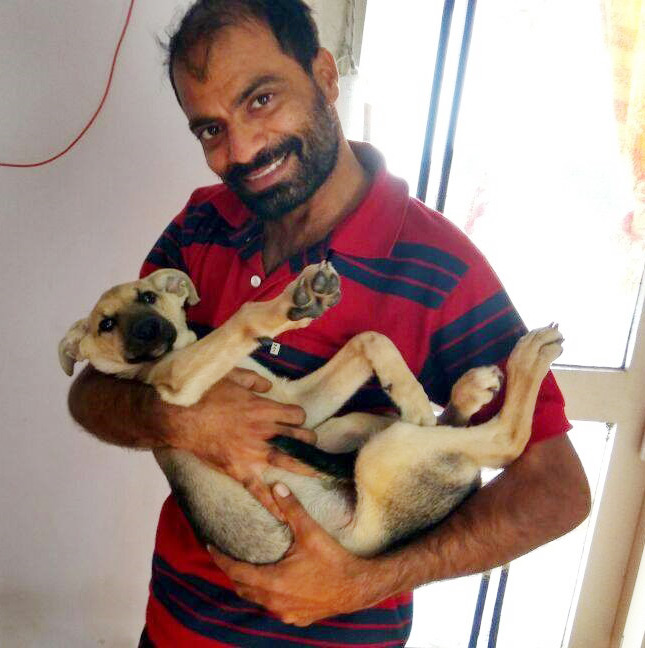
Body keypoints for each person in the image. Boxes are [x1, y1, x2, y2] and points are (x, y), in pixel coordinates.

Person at [67, 1, 591, 645]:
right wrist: (182, 420)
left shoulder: (438, 266)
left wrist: (364, 583)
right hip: (175, 629)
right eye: (210, 129)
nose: (241, 149)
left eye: (261, 100)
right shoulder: (201, 223)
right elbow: (93, 393)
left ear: (323, 74)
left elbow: (557, 490)